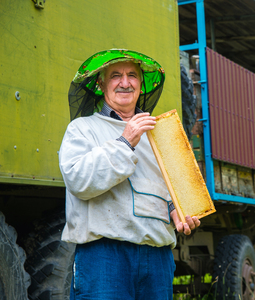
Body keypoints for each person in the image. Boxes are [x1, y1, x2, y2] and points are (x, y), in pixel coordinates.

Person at [59, 49, 200, 300]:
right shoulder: (82, 129)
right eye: (116, 75)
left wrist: (177, 210)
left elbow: (172, 193)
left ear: (141, 84)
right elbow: (78, 180)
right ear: (101, 84)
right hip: (104, 257)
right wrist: (126, 142)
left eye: (132, 75)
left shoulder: (162, 134)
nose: (125, 83)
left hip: (157, 258)